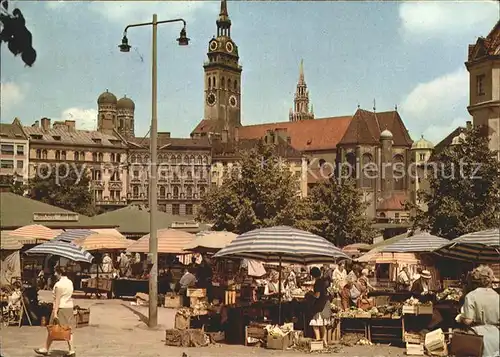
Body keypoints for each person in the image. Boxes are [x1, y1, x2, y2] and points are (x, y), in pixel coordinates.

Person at [457, 265, 499, 357]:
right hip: (496, 335)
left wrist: (461, 317)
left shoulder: (471, 296)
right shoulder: (497, 296)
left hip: (477, 336)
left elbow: (468, 321)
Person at [35, 266, 75, 356]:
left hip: (61, 307)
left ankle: (45, 348)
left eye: (56, 272)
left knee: (52, 329)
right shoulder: (70, 282)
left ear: (60, 273)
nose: (54, 274)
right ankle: (71, 350)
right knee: (68, 329)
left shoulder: (59, 285)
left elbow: (57, 299)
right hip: (69, 307)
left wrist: (55, 312)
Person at [309, 267, 331, 347]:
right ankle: (324, 340)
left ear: (312, 275)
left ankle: (318, 340)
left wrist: (311, 294)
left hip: (319, 305)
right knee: (323, 323)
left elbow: (317, 295)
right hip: (325, 303)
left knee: (315, 323)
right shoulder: (323, 281)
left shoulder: (317, 282)